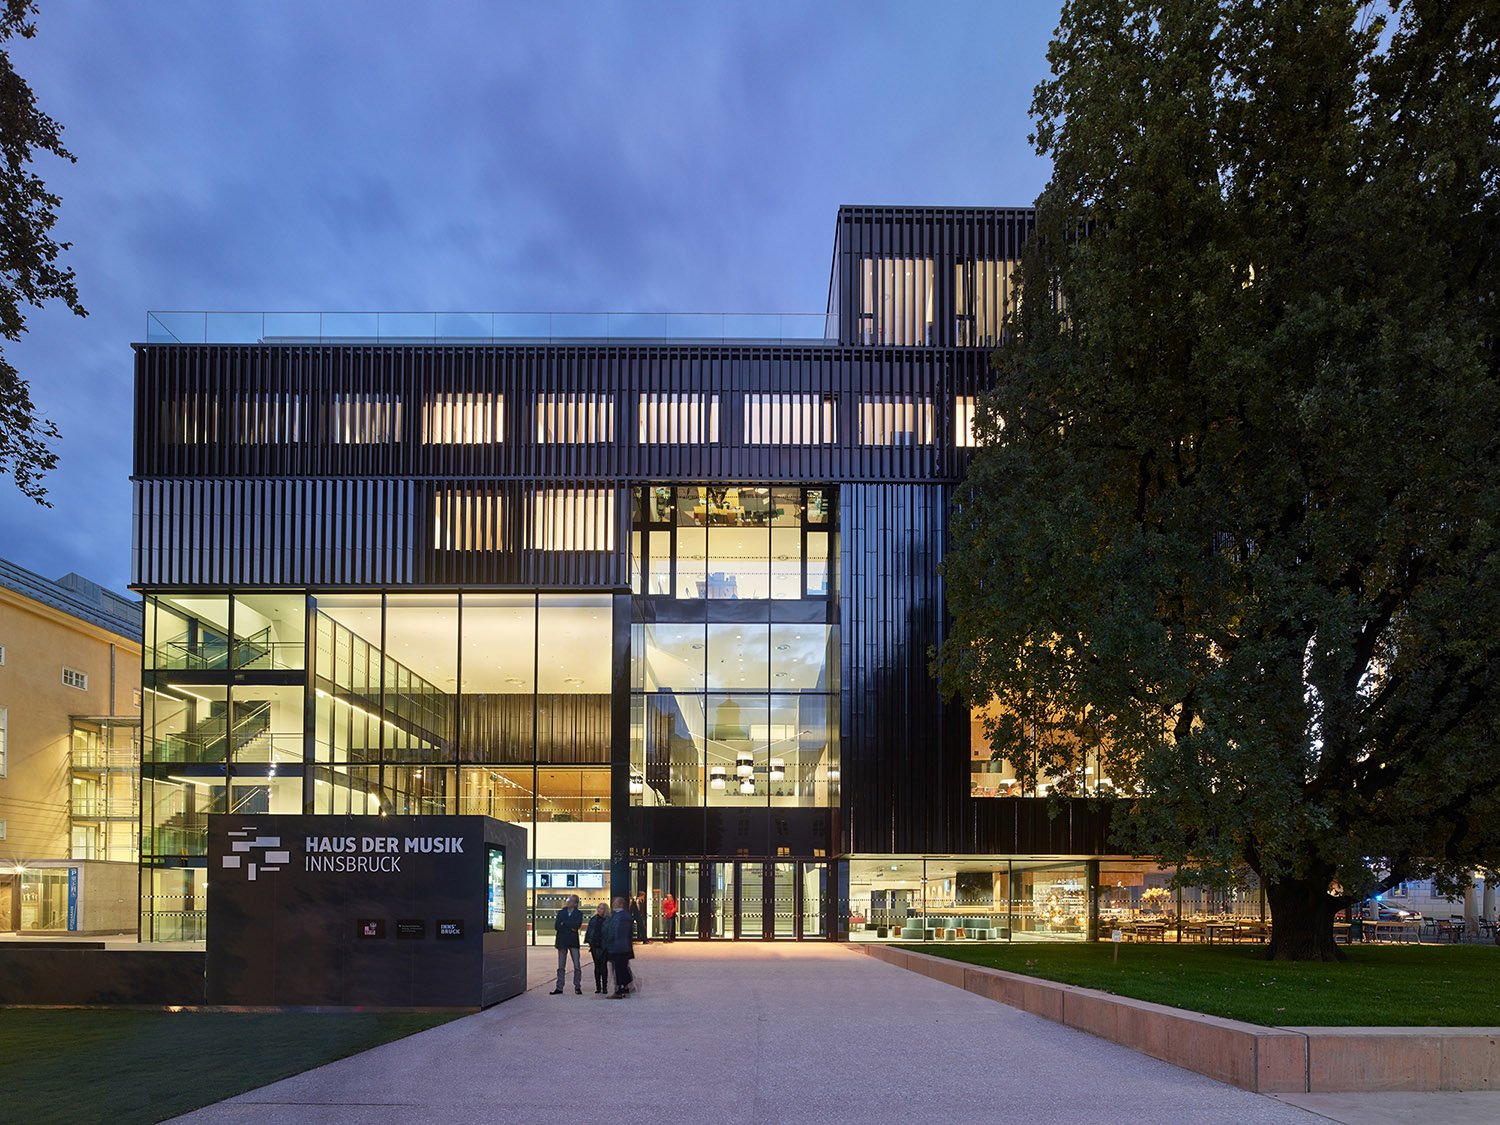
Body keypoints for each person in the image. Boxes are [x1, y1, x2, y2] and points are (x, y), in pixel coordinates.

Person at [551, 894, 584, 995]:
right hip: (562, 941)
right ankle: (559, 987)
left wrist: (564, 924)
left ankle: (577, 986)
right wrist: (570, 927)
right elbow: (557, 926)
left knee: (577, 965)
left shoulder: (579, 913)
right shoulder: (561, 912)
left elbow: (577, 925)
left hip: (573, 941)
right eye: (569, 900)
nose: (569, 902)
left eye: (572, 901)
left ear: (575, 903)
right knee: (561, 965)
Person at [605, 896, 635, 998]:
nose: (613, 904)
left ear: (621, 904)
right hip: (624, 946)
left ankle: (618, 990)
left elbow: (614, 931)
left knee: (618, 969)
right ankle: (626, 986)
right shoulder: (625, 916)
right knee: (623, 967)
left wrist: (608, 941)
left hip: (617, 946)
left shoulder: (619, 916)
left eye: (615, 902)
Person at [583, 901, 610, 994]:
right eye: (598, 908)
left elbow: (610, 933)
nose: (599, 910)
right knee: (597, 967)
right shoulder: (593, 919)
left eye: (601, 908)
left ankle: (605, 987)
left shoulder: (608, 920)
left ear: (605, 910)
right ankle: (598, 987)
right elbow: (589, 932)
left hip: (605, 946)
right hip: (595, 945)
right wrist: (590, 942)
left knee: (603, 966)